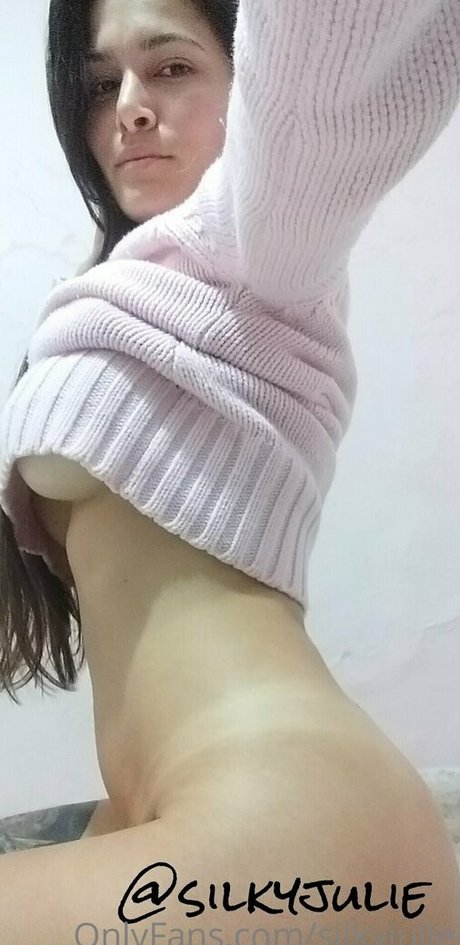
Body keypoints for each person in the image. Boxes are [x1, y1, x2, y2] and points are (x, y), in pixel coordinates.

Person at [0, 0, 459, 940]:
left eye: (171, 67)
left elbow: (321, 65)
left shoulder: (261, 241)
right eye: (102, 82)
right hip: (200, 813)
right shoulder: (123, 298)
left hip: (291, 819)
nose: (130, 105)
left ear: (248, 77)